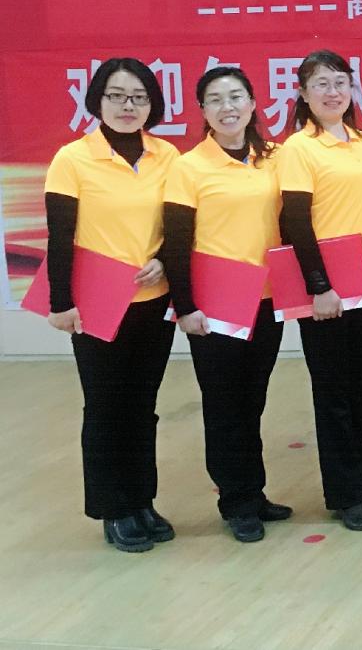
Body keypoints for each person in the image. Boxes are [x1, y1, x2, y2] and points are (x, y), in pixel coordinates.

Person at [43, 58, 179, 553]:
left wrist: (164, 260)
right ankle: (114, 509)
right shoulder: (73, 159)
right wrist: (61, 302)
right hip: (97, 303)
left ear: (153, 104)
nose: (128, 106)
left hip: (153, 302)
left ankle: (142, 500)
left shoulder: (167, 155)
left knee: (143, 406)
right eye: (117, 96)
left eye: (139, 97)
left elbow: (180, 226)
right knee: (105, 407)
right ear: (97, 100)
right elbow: (60, 236)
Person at [160, 66, 290, 544]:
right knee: (223, 404)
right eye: (215, 99)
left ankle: (253, 491)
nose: (227, 107)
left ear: (254, 104)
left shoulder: (274, 157)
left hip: (267, 298)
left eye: (236, 96)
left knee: (252, 401)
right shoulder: (188, 167)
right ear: (203, 111)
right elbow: (177, 242)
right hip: (214, 306)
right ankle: (235, 501)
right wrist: (186, 305)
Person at [275, 50, 362, 532]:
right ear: (303, 93)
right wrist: (319, 285)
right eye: (321, 83)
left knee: (360, 387)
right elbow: (295, 222)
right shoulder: (298, 148)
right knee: (333, 393)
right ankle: (344, 495)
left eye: (341, 82)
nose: (333, 92)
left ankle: (359, 483)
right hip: (325, 293)